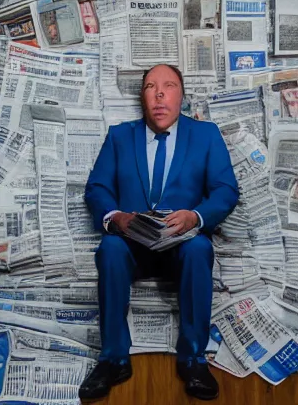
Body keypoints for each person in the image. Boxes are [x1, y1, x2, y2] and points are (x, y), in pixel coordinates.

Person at [80, 64, 239, 401]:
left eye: (169, 86)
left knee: (199, 249)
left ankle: (193, 360)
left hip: (181, 247)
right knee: (109, 248)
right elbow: (97, 188)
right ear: (143, 97)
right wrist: (117, 217)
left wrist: (196, 216)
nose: (160, 94)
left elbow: (226, 190)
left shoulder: (206, 135)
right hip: (132, 247)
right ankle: (113, 359)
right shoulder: (120, 136)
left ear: (181, 95)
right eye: (151, 86)